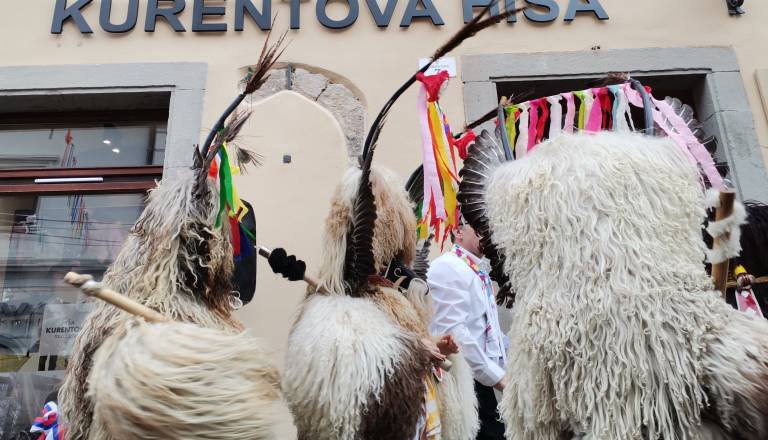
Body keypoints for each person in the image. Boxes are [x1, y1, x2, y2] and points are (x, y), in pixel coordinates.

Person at [427, 219, 507, 440]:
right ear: (458, 231)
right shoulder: (448, 267)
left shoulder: (476, 270)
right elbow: (456, 335)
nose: (486, 235)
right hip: (464, 381)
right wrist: (498, 378)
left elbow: (487, 330)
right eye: (479, 229)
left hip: (483, 378)